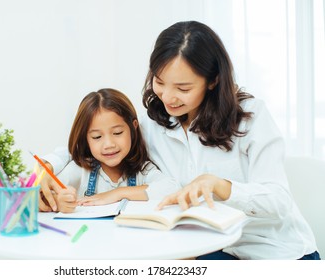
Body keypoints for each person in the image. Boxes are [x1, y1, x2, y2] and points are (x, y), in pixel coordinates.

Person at [41, 21, 320, 260]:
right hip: (208, 250)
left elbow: (279, 201)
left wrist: (220, 186)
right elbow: (91, 138)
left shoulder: (250, 117)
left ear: (212, 81)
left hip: (275, 254)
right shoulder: (151, 123)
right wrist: (45, 170)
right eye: (159, 82)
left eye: (183, 88)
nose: (168, 97)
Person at [39, 88, 180, 213]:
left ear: (133, 127)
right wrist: (59, 201)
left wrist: (118, 193)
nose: (109, 144)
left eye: (117, 133)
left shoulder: (143, 171)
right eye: (97, 137)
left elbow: (172, 188)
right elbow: (38, 197)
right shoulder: (80, 170)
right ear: (86, 139)